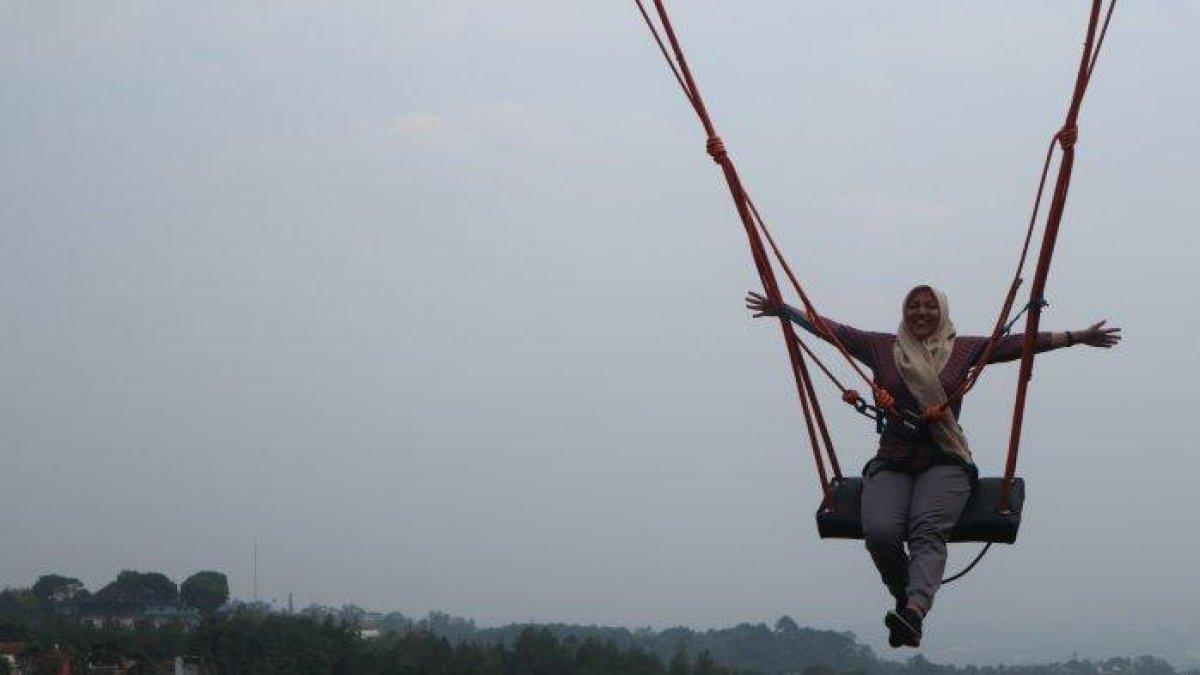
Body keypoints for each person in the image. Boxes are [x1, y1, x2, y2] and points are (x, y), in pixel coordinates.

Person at [745, 285, 1120, 648]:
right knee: (881, 533)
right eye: (914, 305)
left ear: (942, 312)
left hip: (945, 457)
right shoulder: (882, 347)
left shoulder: (963, 350)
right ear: (904, 311)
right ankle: (904, 598)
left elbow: (1020, 344)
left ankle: (914, 610)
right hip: (893, 458)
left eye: (929, 306)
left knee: (927, 529)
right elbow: (832, 331)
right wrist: (785, 310)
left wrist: (1077, 336)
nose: (921, 312)